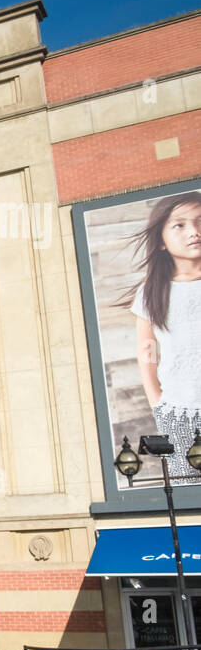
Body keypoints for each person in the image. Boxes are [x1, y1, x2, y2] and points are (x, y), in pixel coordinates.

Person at [122, 192, 201, 484]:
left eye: (199, 221)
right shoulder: (152, 291)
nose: (194, 231)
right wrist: (159, 405)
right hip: (180, 413)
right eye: (179, 225)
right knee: (190, 495)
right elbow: (147, 353)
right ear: (161, 240)